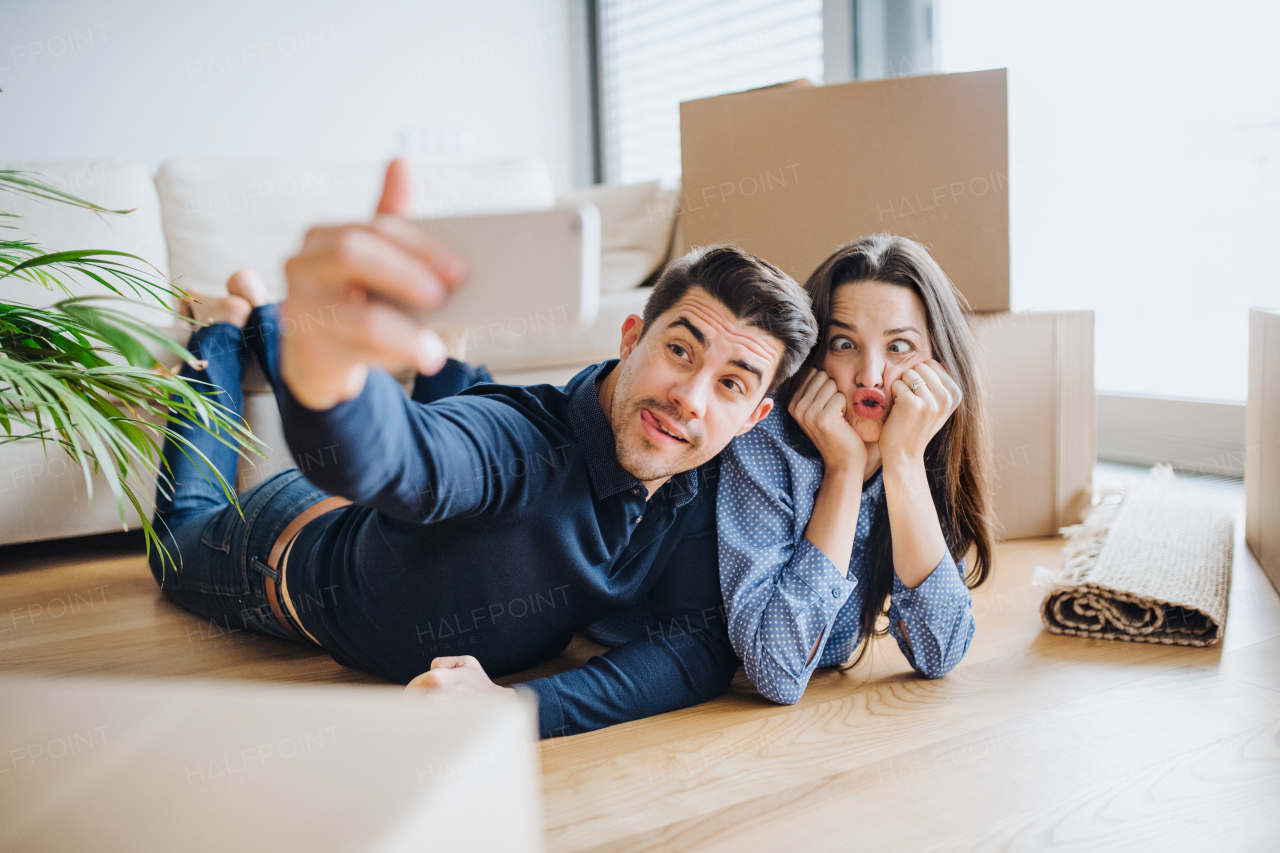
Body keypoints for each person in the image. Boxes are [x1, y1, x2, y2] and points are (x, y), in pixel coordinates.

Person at [148, 160, 819, 738]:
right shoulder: (517, 439)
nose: (691, 398)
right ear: (629, 338)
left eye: (731, 383)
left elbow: (693, 646)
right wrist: (331, 378)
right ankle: (223, 330)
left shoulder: (694, 474)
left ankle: (266, 313)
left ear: (755, 415)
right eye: (680, 350)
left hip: (379, 525)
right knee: (179, 530)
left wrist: (516, 707)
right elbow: (401, 457)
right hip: (272, 552)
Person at [717, 234, 995, 705]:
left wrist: (903, 461)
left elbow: (940, 653)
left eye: (899, 347)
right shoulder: (763, 440)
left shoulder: (924, 445)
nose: (870, 375)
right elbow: (776, 671)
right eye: (844, 343)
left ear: (939, 368)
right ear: (814, 356)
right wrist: (843, 472)